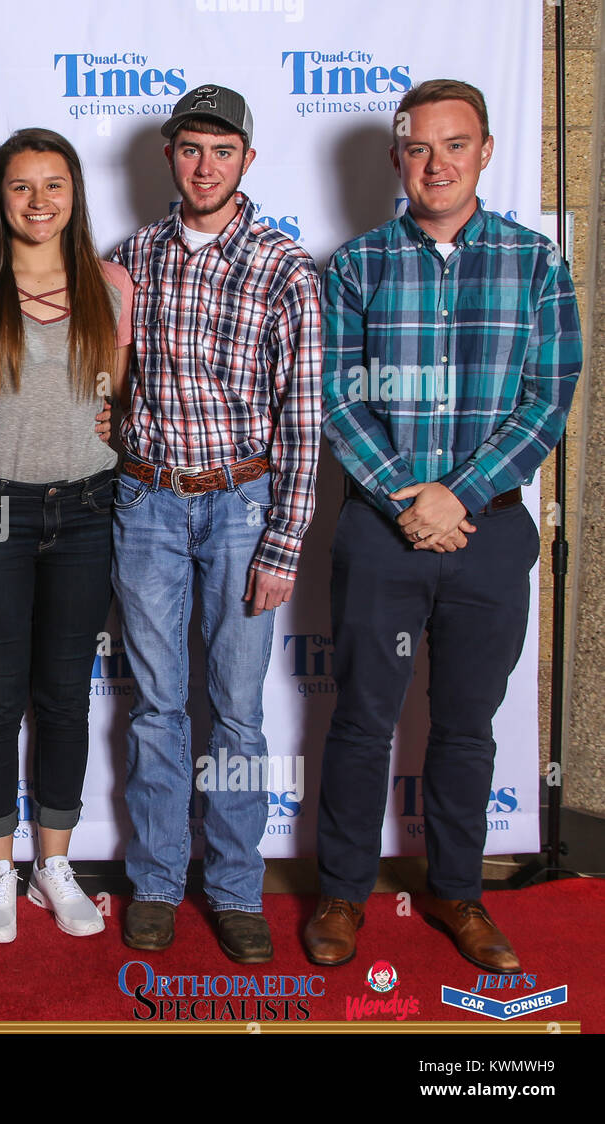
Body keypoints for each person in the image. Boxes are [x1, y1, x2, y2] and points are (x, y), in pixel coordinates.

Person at [304, 79, 581, 972]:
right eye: (419, 148)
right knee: (360, 720)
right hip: (383, 533)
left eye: (454, 145)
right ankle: (342, 895)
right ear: (397, 159)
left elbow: (549, 399)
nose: (436, 164)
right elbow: (338, 399)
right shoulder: (354, 266)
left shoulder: (538, 263)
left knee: (466, 725)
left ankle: (459, 892)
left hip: (489, 535)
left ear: (486, 151)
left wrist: (459, 495)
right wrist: (406, 499)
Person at [110, 84, 322, 963]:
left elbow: (305, 420)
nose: (205, 166)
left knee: (237, 714)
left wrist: (283, 544)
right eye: (191, 149)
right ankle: (157, 880)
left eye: (222, 151)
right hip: (147, 502)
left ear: (247, 159)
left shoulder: (285, 267)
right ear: (170, 156)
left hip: (242, 507)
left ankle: (236, 887)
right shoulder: (129, 258)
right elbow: (104, 379)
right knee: (158, 707)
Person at [0, 128, 131, 942]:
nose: (39, 201)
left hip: (87, 510)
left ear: (75, 195)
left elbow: (113, 404)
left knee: (62, 698)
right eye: (22, 187)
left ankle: (56, 864)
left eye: (55, 185)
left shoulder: (111, 285)